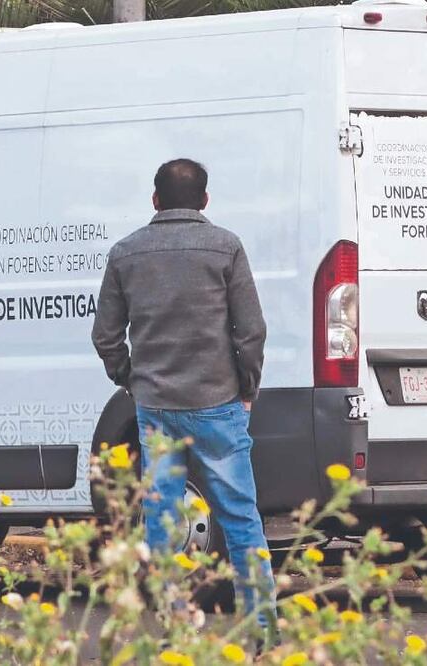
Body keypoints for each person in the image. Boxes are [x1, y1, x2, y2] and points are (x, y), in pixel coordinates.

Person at [91, 158, 275, 628]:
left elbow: (105, 336)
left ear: (155, 200)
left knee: (161, 520)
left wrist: (130, 378)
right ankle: (262, 627)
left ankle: (173, 626)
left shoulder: (125, 253)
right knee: (240, 517)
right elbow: (250, 331)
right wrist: (246, 387)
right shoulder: (226, 248)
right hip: (219, 402)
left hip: (156, 407)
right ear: (205, 201)